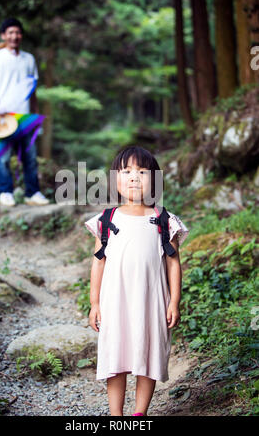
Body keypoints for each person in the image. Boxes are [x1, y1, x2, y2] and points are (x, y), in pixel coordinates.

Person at [84, 145, 190, 416]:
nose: (134, 177)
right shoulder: (106, 220)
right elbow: (99, 261)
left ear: (154, 180)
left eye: (142, 172)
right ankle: (116, 415)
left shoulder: (164, 220)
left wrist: (174, 302)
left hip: (151, 300)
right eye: (126, 171)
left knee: (149, 354)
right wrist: (94, 302)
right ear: (115, 179)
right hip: (115, 301)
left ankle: (139, 414)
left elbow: (173, 262)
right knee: (115, 356)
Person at [0, 17, 49, 207]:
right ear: (4, 35)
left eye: (17, 32)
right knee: (2, 156)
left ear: (21, 35)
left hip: (25, 116)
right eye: (10, 32)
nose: (14, 36)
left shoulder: (29, 59)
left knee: (30, 157)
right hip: (1, 116)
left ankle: (32, 193)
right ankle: (5, 192)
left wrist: (36, 115)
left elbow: (32, 89)